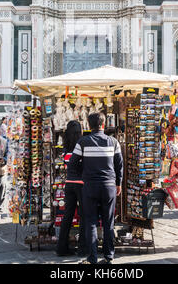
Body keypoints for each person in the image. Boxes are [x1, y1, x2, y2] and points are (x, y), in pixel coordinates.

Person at [69, 112, 123, 265]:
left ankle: (92, 258)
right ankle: (108, 257)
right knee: (108, 223)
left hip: (90, 187)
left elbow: (72, 164)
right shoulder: (113, 142)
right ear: (103, 125)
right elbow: (119, 165)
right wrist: (118, 183)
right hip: (109, 187)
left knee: (91, 223)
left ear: (88, 125)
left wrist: (84, 173)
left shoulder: (82, 142)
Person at [56, 120, 87, 257]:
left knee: (67, 216)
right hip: (81, 184)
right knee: (84, 215)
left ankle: (61, 247)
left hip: (68, 184)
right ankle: (82, 248)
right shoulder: (83, 145)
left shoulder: (65, 147)